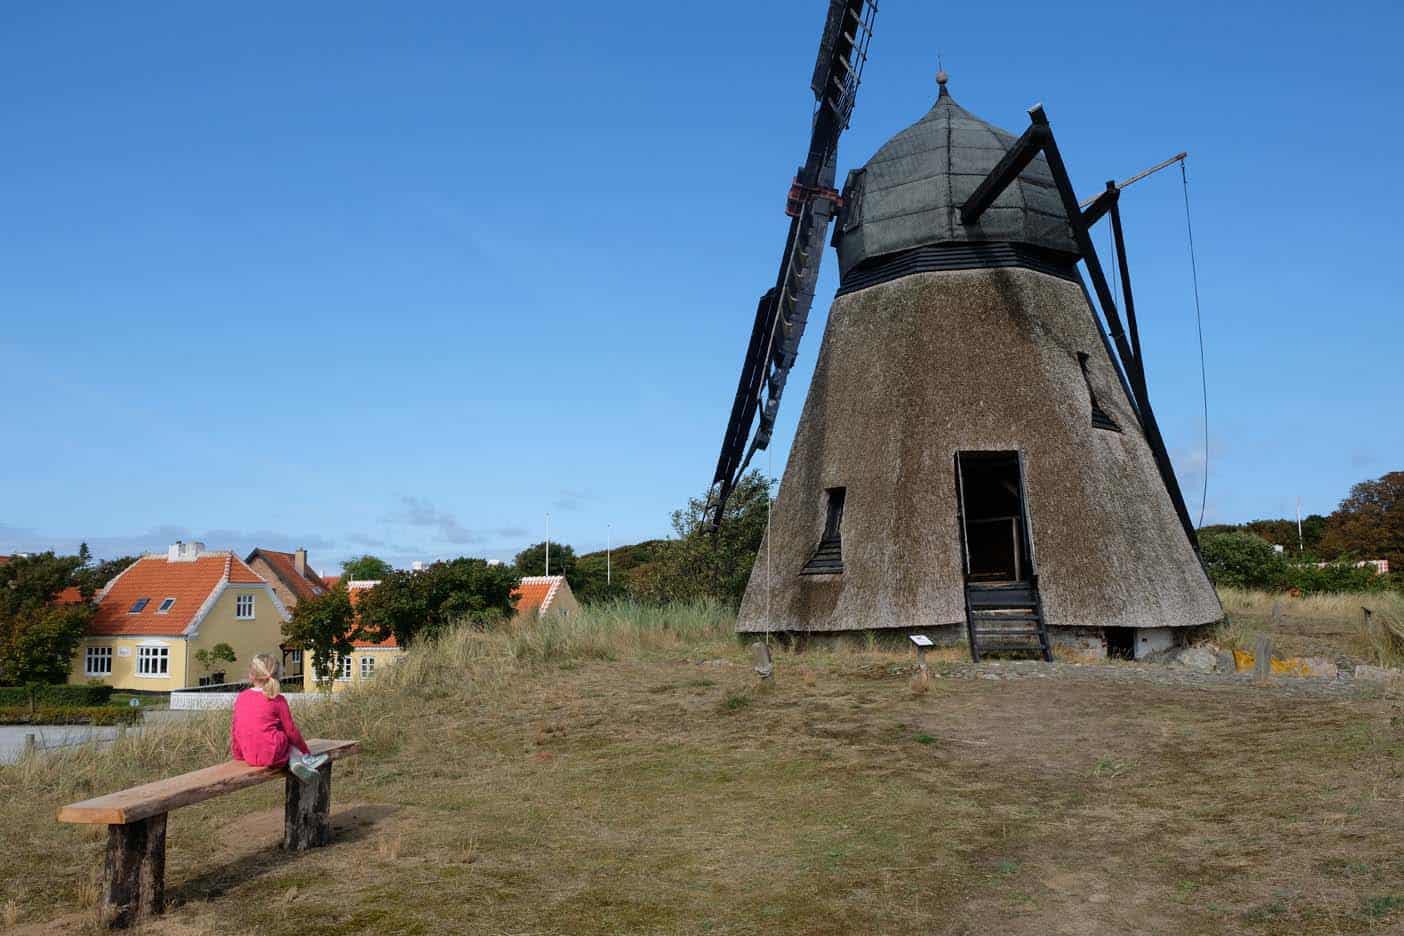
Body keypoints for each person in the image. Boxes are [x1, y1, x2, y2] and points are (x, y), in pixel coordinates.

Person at [231, 652, 327, 782]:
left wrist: (238, 754)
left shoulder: (241, 697)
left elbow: (236, 729)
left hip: (250, 756)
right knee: (284, 737)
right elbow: (291, 731)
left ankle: (296, 762)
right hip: (273, 755)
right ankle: (301, 760)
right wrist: (305, 751)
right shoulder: (277, 700)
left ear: (251, 676)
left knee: (274, 732)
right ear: (277, 676)